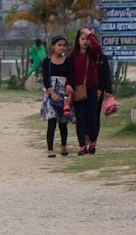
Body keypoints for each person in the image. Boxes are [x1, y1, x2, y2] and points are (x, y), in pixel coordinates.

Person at [69, 26, 103, 156]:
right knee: (81, 118)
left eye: (87, 39)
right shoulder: (73, 56)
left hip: (92, 89)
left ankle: (92, 142)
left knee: (92, 118)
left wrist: (90, 34)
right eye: (82, 38)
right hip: (78, 90)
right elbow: (69, 73)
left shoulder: (92, 54)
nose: (85, 41)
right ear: (78, 40)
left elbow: (97, 47)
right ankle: (82, 145)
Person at [39, 36, 74, 158]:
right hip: (50, 94)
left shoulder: (68, 61)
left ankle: (63, 145)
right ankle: (50, 149)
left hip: (63, 94)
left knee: (63, 123)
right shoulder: (46, 61)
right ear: (53, 46)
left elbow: (71, 78)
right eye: (59, 45)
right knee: (52, 121)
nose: (62, 47)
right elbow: (45, 80)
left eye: (64, 45)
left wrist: (69, 95)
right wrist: (52, 94)